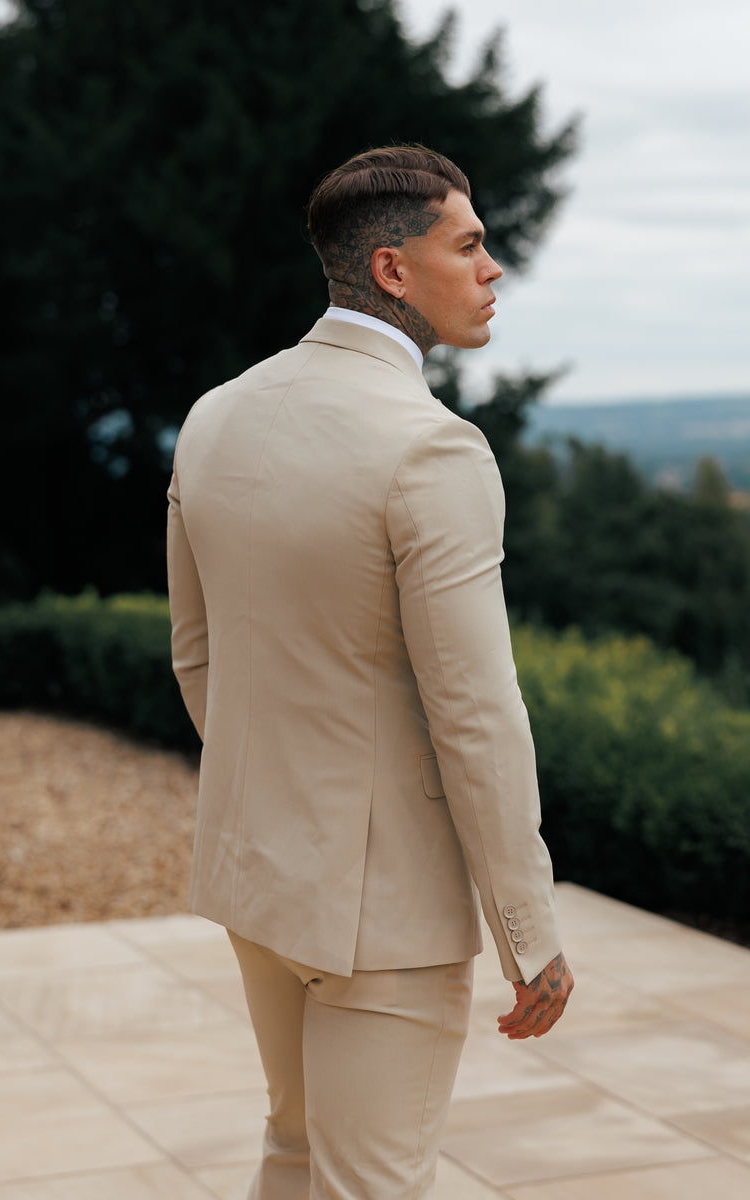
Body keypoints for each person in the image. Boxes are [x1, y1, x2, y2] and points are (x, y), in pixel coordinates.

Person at [167, 144, 573, 1200]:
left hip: (259, 879)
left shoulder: (214, 416)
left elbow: (197, 654)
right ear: (393, 269)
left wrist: (284, 802)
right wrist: (528, 935)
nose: (491, 268)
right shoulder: (432, 448)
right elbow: (475, 715)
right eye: (468, 245)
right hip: (384, 913)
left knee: (294, 1149)